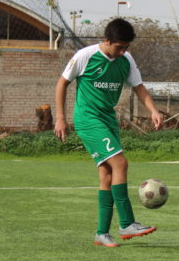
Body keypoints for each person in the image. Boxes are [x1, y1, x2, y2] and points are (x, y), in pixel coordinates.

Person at [54, 18, 164, 247]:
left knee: (106, 174)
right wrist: (61, 119)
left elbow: (139, 87)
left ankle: (101, 233)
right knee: (120, 164)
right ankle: (127, 223)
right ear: (106, 40)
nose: (123, 52)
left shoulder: (126, 60)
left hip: (108, 120)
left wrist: (153, 110)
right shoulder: (86, 56)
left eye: (126, 48)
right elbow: (62, 83)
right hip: (88, 119)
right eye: (119, 47)